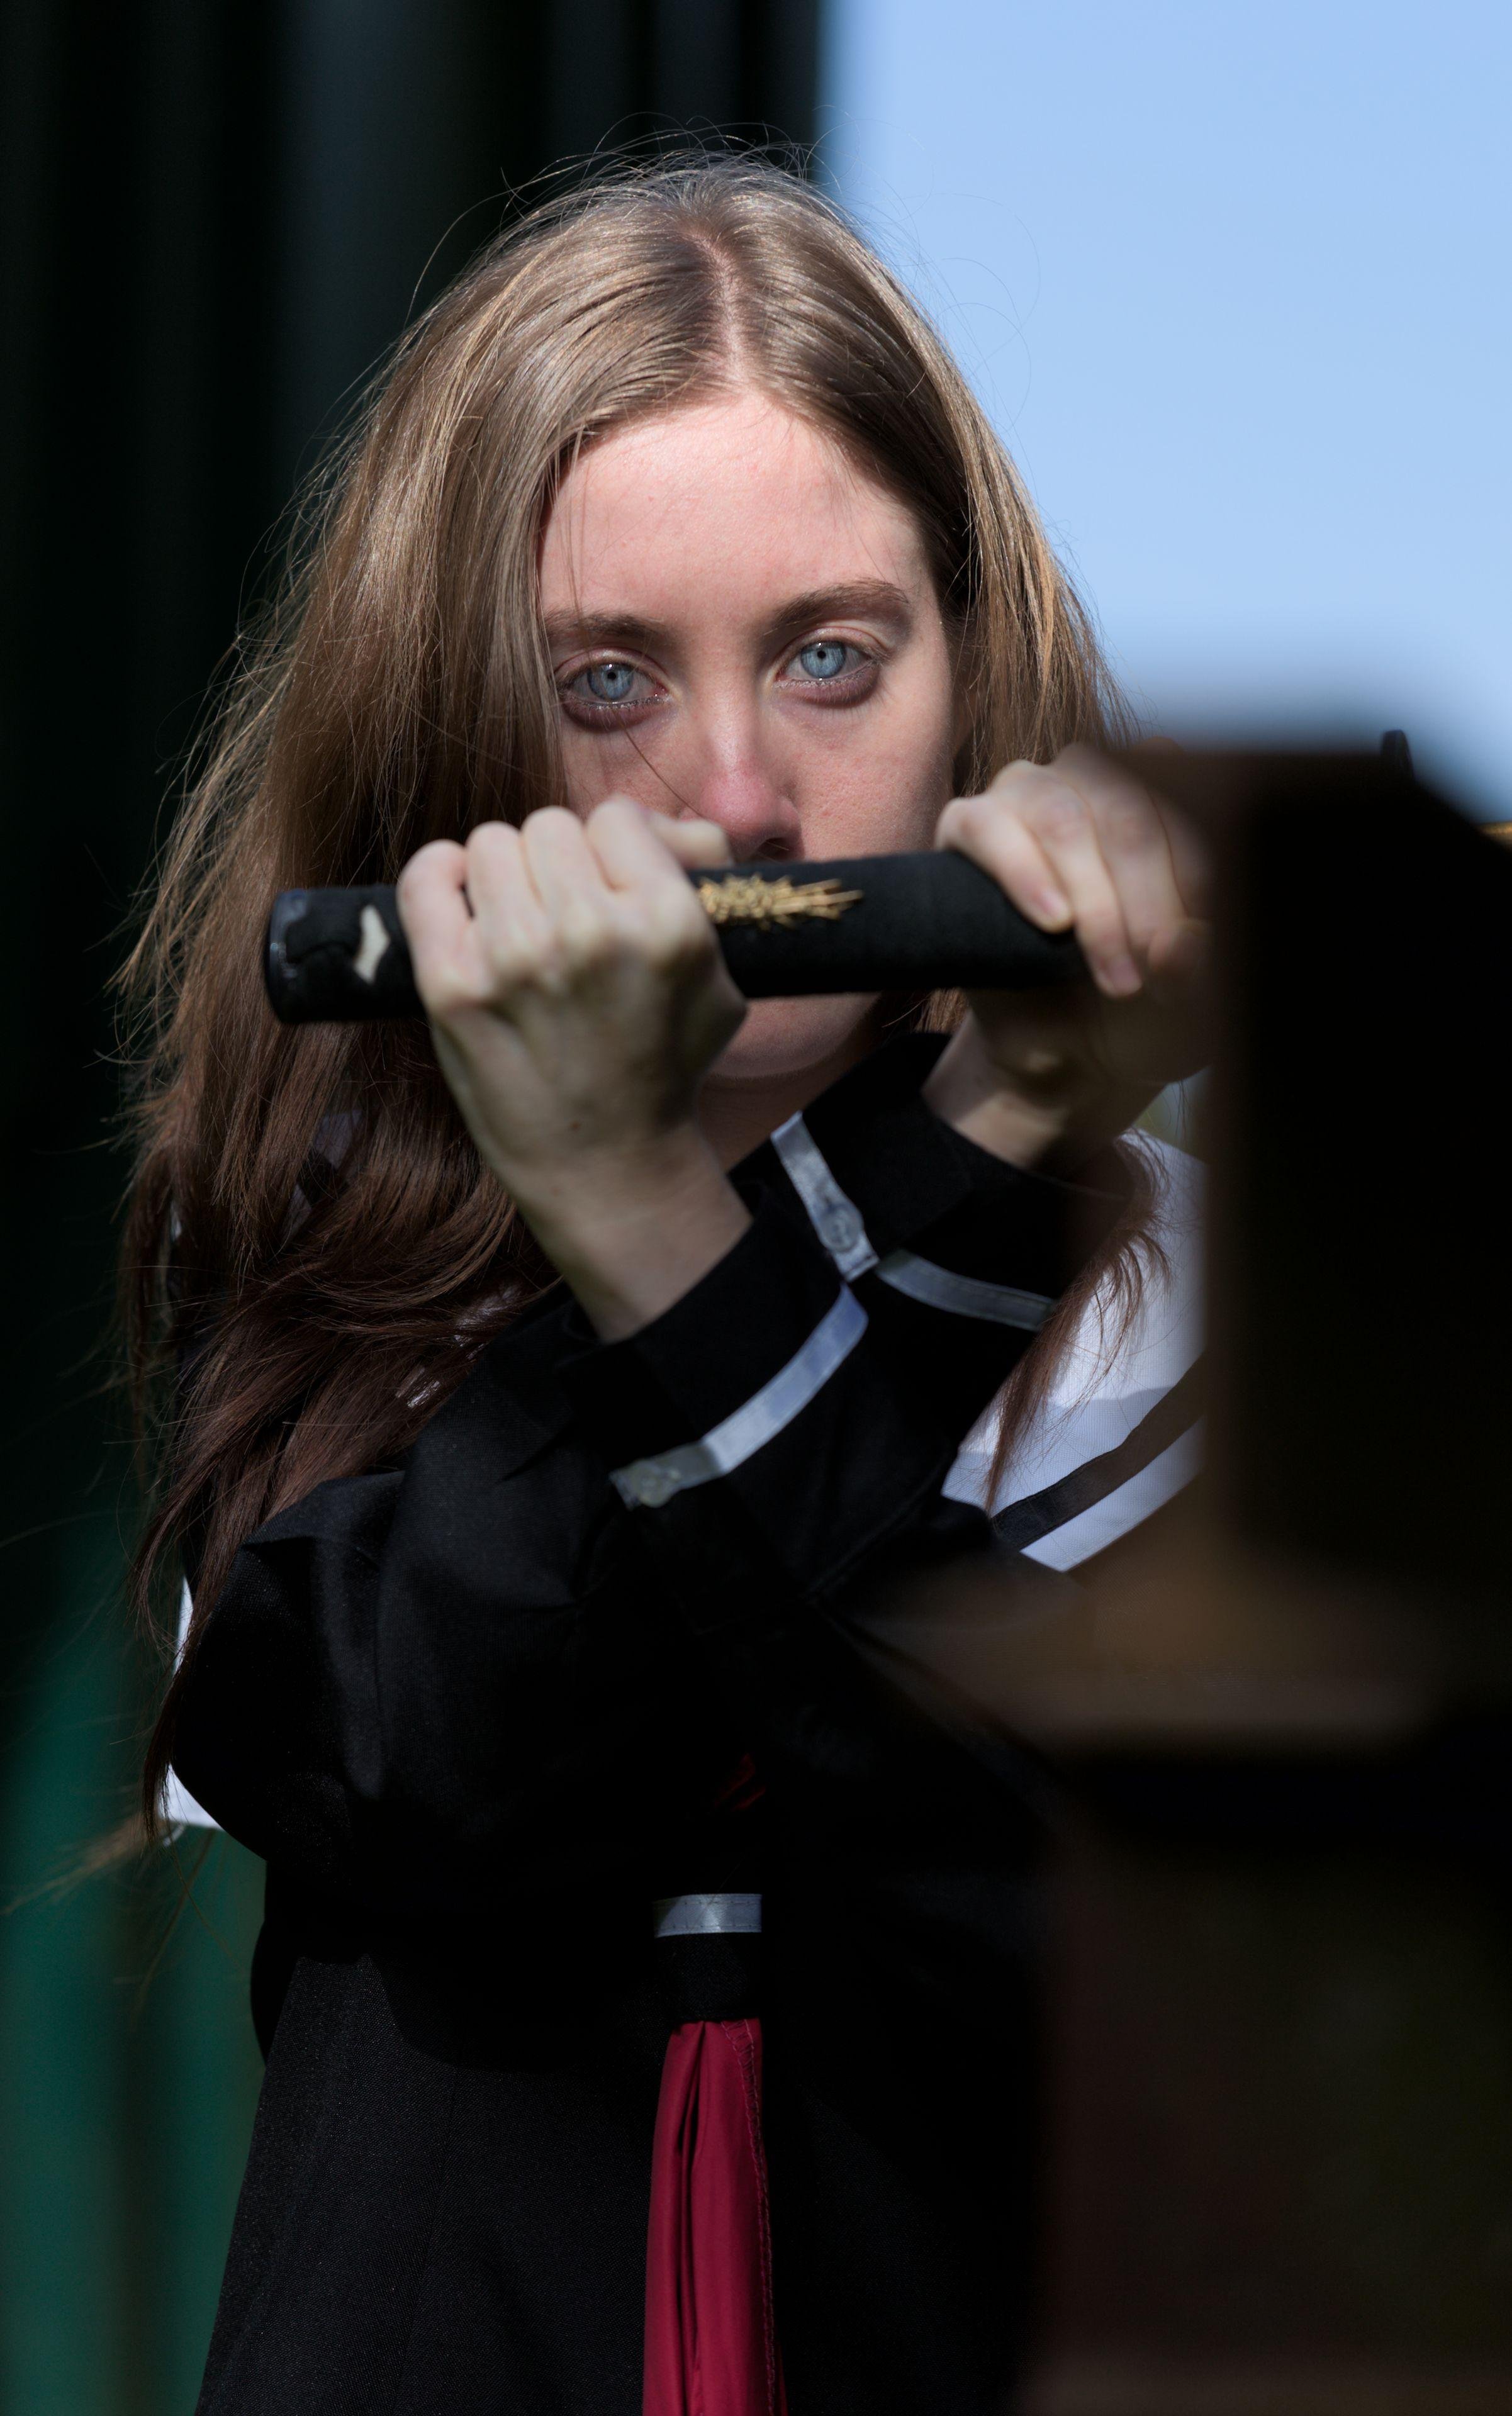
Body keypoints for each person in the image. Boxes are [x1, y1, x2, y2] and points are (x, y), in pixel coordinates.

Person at [125, 155, 1207, 2415]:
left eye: (830, 657)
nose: (735, 791)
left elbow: (1066, 1957)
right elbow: (449, 1767)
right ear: (463, 741)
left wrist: (964, 1156)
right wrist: (909, 1163)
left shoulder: (1189, 1313)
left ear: (969, 670)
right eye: (607, 678)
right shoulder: (351, 1267)